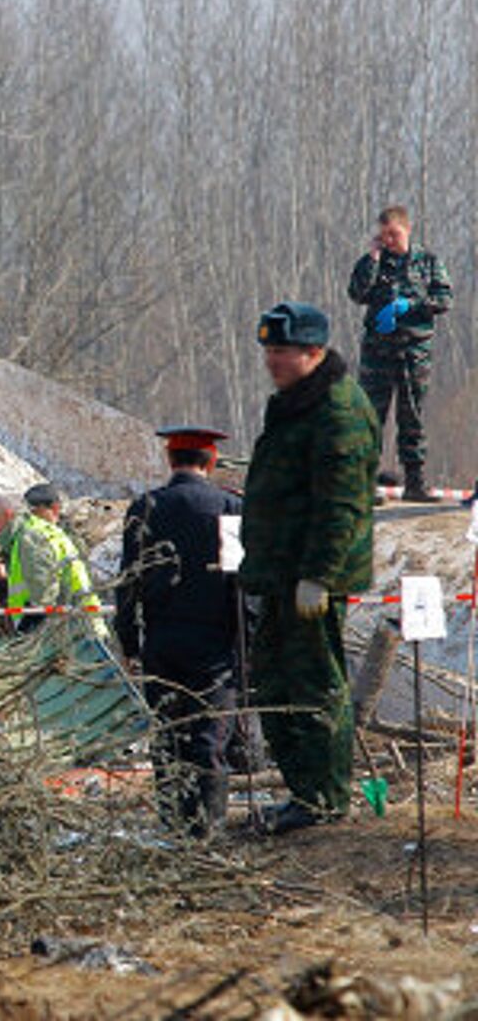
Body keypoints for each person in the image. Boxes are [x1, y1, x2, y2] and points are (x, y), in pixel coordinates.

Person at [240, 302, 379, 834]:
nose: (272, 361)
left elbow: (340, 505)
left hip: (309, 578)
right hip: (280, 572)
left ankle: (322, 797)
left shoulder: (337, 411)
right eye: (270, 350)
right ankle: (304, 792)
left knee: (315, 683)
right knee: (274, 681)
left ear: (314, 352)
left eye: (282, 351)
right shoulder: (299, 403)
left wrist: (318, 574)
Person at [115, 427, 244, 838]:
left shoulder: (147, 506)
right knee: (208, 737)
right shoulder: (228, 507)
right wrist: (247, 644)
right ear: (210, 462)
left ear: (171, 462)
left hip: (162, 640)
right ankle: (207, 829)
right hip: (215, 643)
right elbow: (243, 583)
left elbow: (127, 581)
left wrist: (129, 642)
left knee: (167, 737)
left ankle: (172, 826)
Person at [346, 205, 453, 502]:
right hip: (378, 355)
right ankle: (364, 484)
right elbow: (357, 293)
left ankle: (415, 483)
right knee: (369, 418)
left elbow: (444, 298)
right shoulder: (375, 262)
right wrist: (372, 258)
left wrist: (412, 305)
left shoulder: (427, 262)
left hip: (414, 353)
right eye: (384, 236)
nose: (389, 240)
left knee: (412, 418)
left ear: (406, 230)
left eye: (393, 234)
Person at [0, 484, 104, 636]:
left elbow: (44, 596)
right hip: (80, 624)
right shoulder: (35, 534)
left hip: (65, 633)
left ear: (8, 515)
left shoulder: (30, 537)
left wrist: (26, 629)